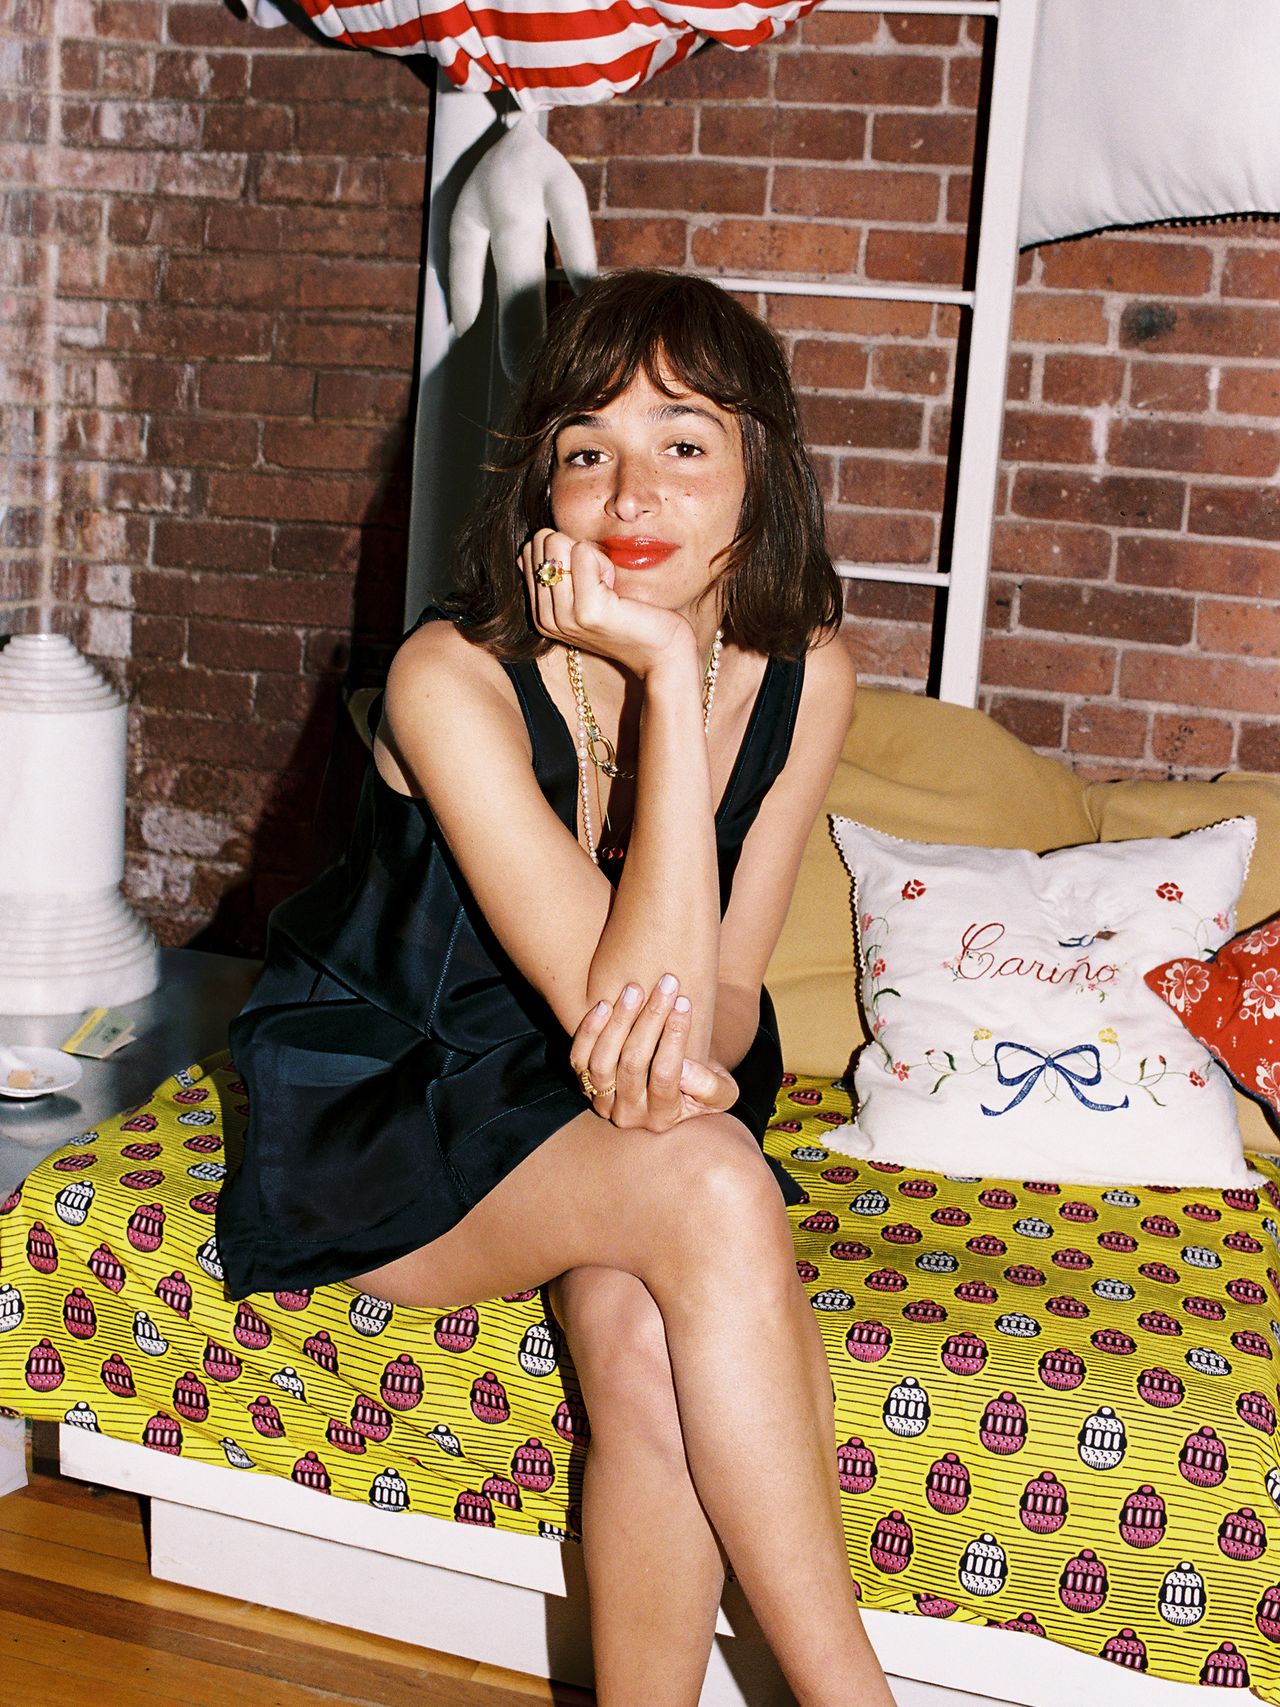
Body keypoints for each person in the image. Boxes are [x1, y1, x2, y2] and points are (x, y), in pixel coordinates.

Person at [216, 269, 894, 1707]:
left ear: (761, 477)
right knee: (711, 1186)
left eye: (683, 444)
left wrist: (680, 1071)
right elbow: (614, 1000)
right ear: (541, 493)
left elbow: (711, 997)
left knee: (648, 1339)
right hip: (392, 1110)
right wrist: (657, 677)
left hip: (627, 1098)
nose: (628, 488)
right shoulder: (444, 678)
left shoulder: (806, 667)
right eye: (586, 449)